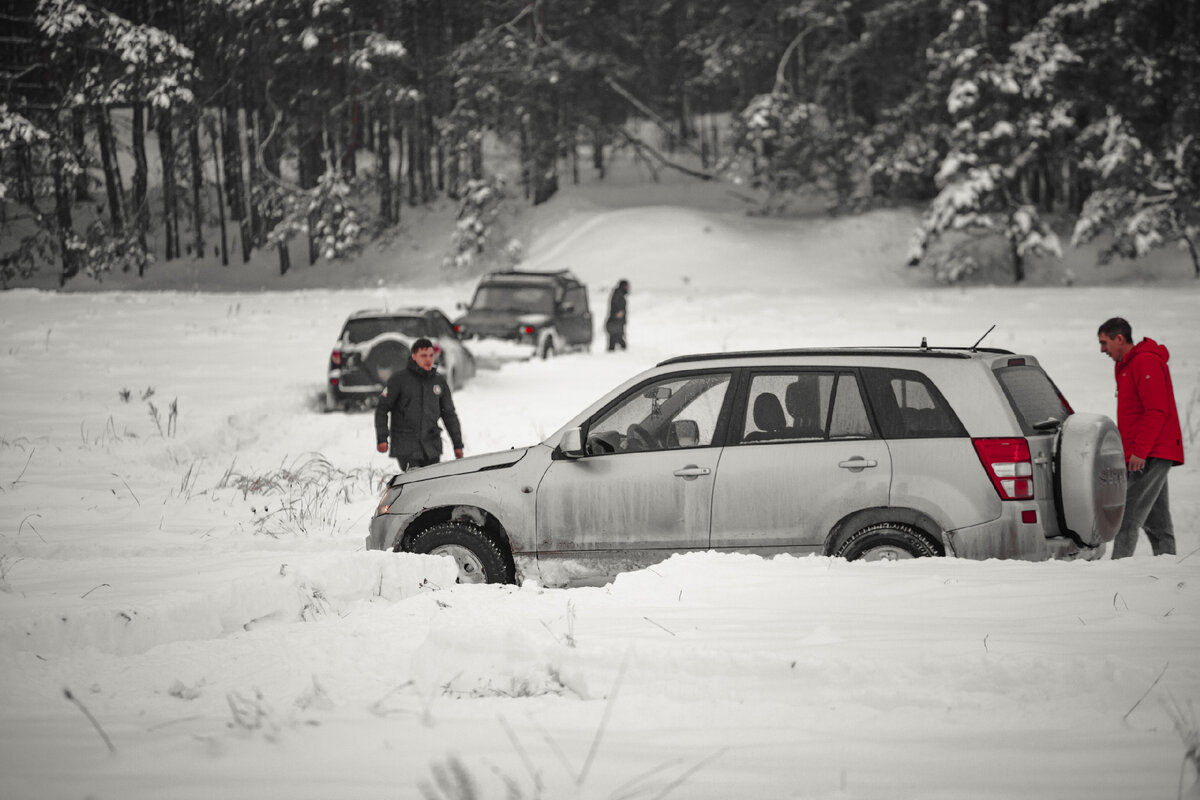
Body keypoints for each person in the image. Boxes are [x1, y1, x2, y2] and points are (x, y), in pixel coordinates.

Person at [1097, 317, 1184, 558]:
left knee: (1127, 517)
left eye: (1105, 343)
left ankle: (1118, 574)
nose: (1102, 350)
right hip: (1145, 451)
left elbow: (1156, 410)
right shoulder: (1125, 366)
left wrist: (1140, 452)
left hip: (1151, 452)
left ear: (1120, 338)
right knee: (1158, 524)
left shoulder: (1145, 362)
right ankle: (1167, 566)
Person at [375, 337, 464, 471]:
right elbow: (382, 409)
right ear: (414, 356)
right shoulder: (399, 380)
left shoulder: (439, 381)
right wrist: (382, 438)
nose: (428, 359)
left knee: (431, 484)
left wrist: (457, 445)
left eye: (431, 355)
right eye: (423, 355)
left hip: (431, 446)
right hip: (406, 446)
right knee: (415, 482)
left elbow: (449, 415)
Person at [606, 279, 629, 351]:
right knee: (617, 342)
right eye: (627, 286)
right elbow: (616, 306)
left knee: (614, 342)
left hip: (616, 322)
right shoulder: (618, 294)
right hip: (615, 322)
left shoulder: (619, 293)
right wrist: (619, 313)